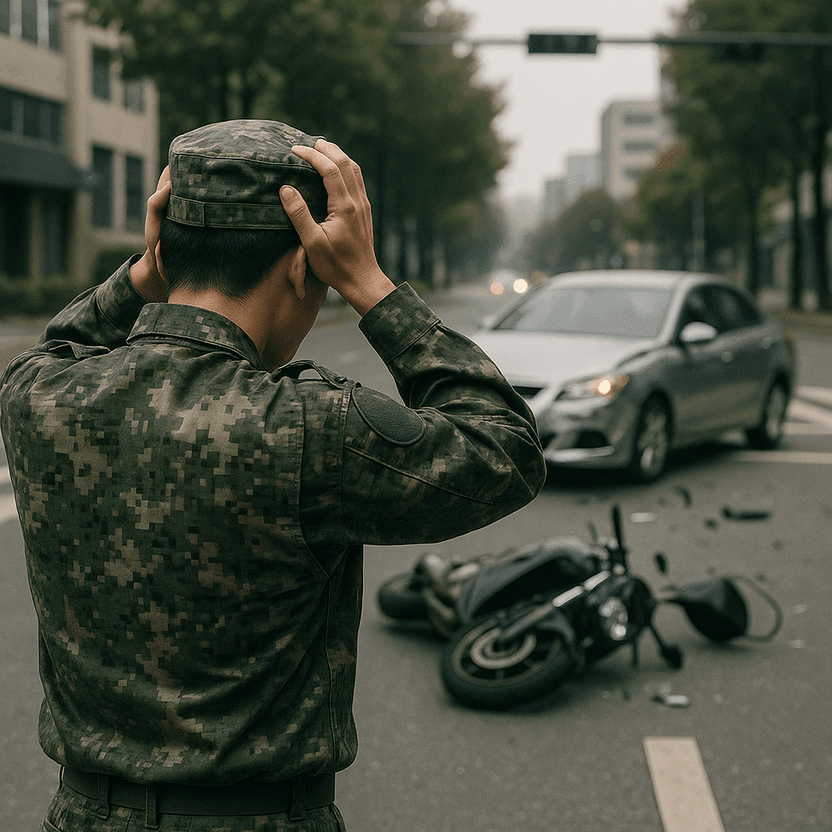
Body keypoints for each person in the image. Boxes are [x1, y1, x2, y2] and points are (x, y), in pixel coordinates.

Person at [0, 119, 546, 832]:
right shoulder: (310, 429)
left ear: (166, 249)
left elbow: (63, 343)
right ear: (303, 268)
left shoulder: (37, 396)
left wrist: (143, 271)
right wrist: (372, 286)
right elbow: (504, 453)